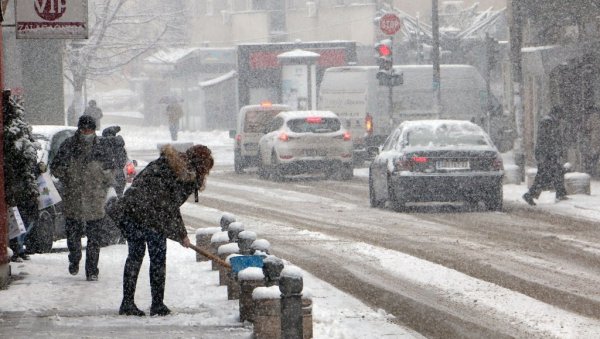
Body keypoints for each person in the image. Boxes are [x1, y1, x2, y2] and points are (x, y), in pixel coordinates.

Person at [113, 144, 214, 316]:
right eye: (206, 170)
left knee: (135, 255)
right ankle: (156, 304)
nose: (205, 175)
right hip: (149, 216)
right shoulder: (182, 175)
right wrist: (182, 235)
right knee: (157, 259)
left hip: (130, 210)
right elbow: (170, 206)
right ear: (201, 166)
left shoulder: (166, 163)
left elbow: (146, 187)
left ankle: (128, 303)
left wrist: (178, 233)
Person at [50, 115, 114, 281]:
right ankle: (74, 258)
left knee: (94, 239)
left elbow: (111, 170)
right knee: (73, 236)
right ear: (79, 129)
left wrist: (103, 182)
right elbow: (56, 168)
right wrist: (68, 175)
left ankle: (92, 270)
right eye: (84, 129)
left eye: (90, 130)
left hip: (95, 199)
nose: (87, 133)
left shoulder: (101, 147)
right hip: (74, 198)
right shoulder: (69, 145)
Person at [523, 106, 568, 206]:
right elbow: (549, 139)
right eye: (560, 115)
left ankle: (559, 193)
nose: (561, 118)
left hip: (547, 153)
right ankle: (531, 194)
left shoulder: (550, 122)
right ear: (556, 114)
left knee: (552, 172)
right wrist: (552, 152)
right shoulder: (548, 122)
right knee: (547, 174)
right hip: (546, 154)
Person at [101, 126, 128, 197]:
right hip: (120, 175)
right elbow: (123, 160)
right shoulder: (120, 145)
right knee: (119, 198)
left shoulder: (102, 146)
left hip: (106, 176)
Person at [583, 106, 600, 177]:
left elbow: (587, 127)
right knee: (596, 155)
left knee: (595, 154)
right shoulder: (595, 117)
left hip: (594, 138)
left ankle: (593, 169)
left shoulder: (591, 117)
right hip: (596, 137)